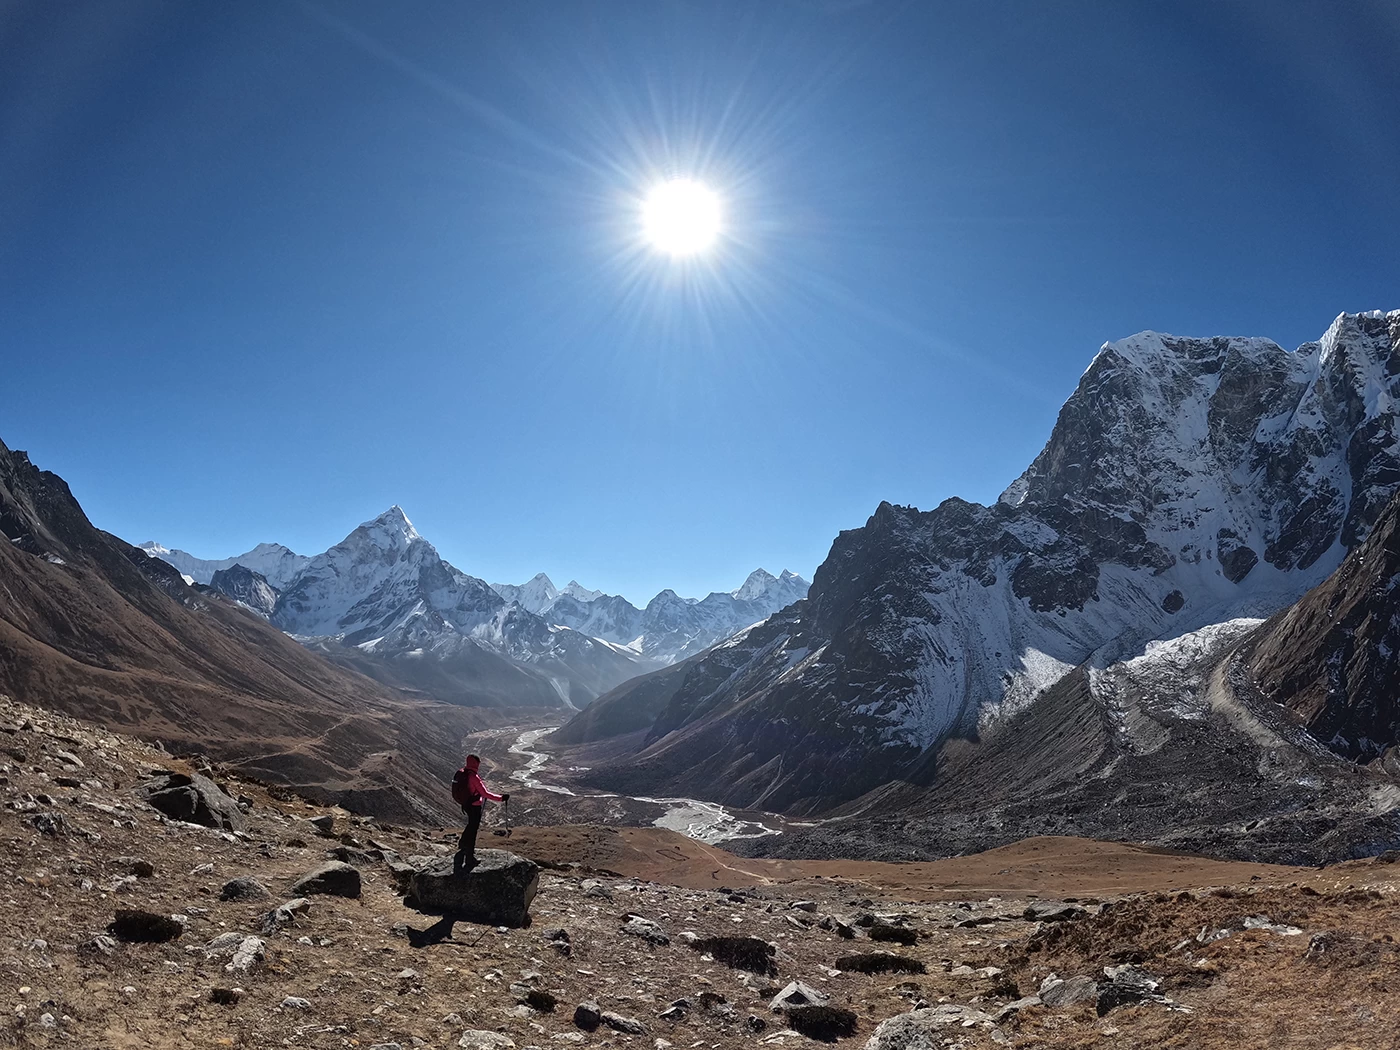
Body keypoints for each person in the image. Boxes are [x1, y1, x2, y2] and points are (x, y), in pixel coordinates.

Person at [453, 754, 508, 873]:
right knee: (473, 830)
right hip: (474, 806)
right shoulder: (473, 777)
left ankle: (463, 845)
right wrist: (501, 798)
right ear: (476, 764)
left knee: (470, 825)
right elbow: (485, 793)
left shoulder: (462, 773)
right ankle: (469, 858)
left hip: (466, 805)